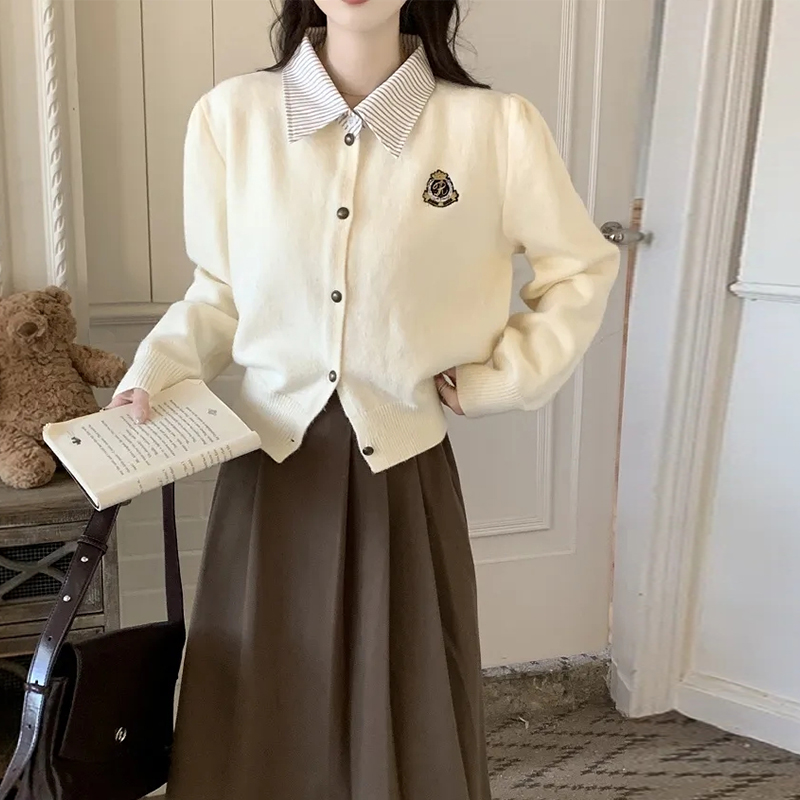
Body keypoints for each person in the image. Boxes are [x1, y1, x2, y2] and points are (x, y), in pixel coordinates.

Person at [110, 0, 620, 797]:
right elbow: (217, 291)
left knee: (405, 693)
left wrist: (504, 376)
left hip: (404, 468)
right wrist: (154, 372)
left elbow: (580, 269)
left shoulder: (495, 129)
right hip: (271, 468)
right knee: (262, 694)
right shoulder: (232, 118)